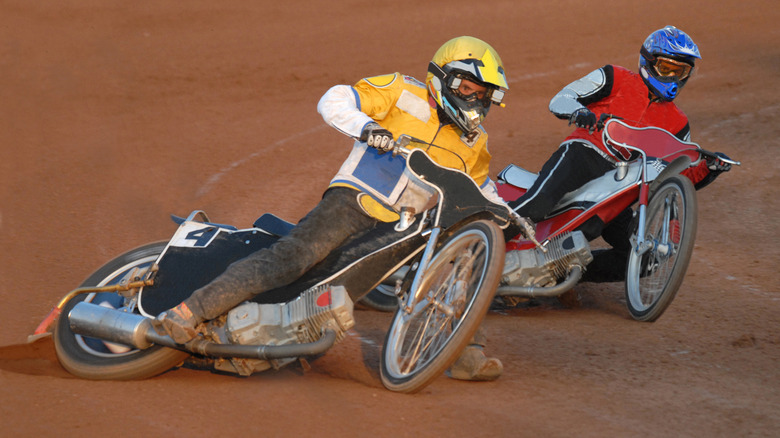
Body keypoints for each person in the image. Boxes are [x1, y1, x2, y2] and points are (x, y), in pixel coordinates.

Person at [153, 36, 511, 381]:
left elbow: (480, 187)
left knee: (458, 262)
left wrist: (510, 213)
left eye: (482, 94)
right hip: (353, 201)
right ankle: (189, 311)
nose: (474, 99)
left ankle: (467, 355)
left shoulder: (476, 142)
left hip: (402, 228)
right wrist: (367, 127)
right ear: (443, 77)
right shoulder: (403, 90)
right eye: (467, 88)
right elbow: (336, 98)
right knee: (293, 258)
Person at [506, 26, 732, 282]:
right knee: (536, 204)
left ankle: (563, 275)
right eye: (666, 68)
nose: (672, 78)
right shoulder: (614, 77)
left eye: (680, 72)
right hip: (583, 154)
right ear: (648, 62)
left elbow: (675, 176)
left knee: (647, 259)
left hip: (619, 186)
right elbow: (562, 98)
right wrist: (578, 112)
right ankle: (482, 251)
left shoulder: (679, 122)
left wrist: (708, 168)